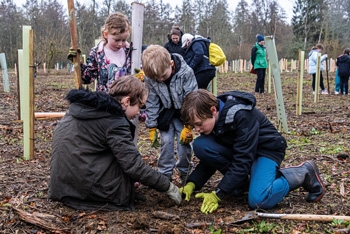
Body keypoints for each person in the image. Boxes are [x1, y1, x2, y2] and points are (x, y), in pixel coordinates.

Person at [180, 89, 325, 214]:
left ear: (213, 110)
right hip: (243, 152)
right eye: (194, 126)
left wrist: (218, 194)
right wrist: (192, 183)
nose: (197, 129)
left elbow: (242, 160)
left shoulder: (240, 115)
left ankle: (303, 172)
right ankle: (242, 185)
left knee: (259, 200)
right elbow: (210, 159)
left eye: (198, 124)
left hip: (266, 150)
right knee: (201, 145)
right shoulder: (213, 121)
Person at [48, 75, 182, 211]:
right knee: (125, 163)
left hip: (63, 186)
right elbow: (133, 166)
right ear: (127, 101)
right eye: (139, 106)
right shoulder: (114, 121)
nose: (139, 113)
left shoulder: (84, 110)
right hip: (86, 189)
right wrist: (168, 187)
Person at [141, 45, 198, 185]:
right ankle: (164, 176)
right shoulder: (151, 78)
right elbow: (152, 101)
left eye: (163, 76)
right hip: (165, 113)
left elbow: (192, 99)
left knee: (183, 144)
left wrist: (189, 126)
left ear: (171, 64)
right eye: (156, 78)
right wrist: (152, 126)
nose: (160, 79)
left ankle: (186, 173)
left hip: (183, 113)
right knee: (166, 143)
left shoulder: (186, 73)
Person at [67, 12, 132, 92]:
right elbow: (87, 78)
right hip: (105, 101)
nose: (120, 44)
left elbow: (139, 74)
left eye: (124, 40)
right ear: (106, 34)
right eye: (117, 40)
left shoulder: (130, 52)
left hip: (127, 102)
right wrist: (76, 62)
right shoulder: (97, 53)